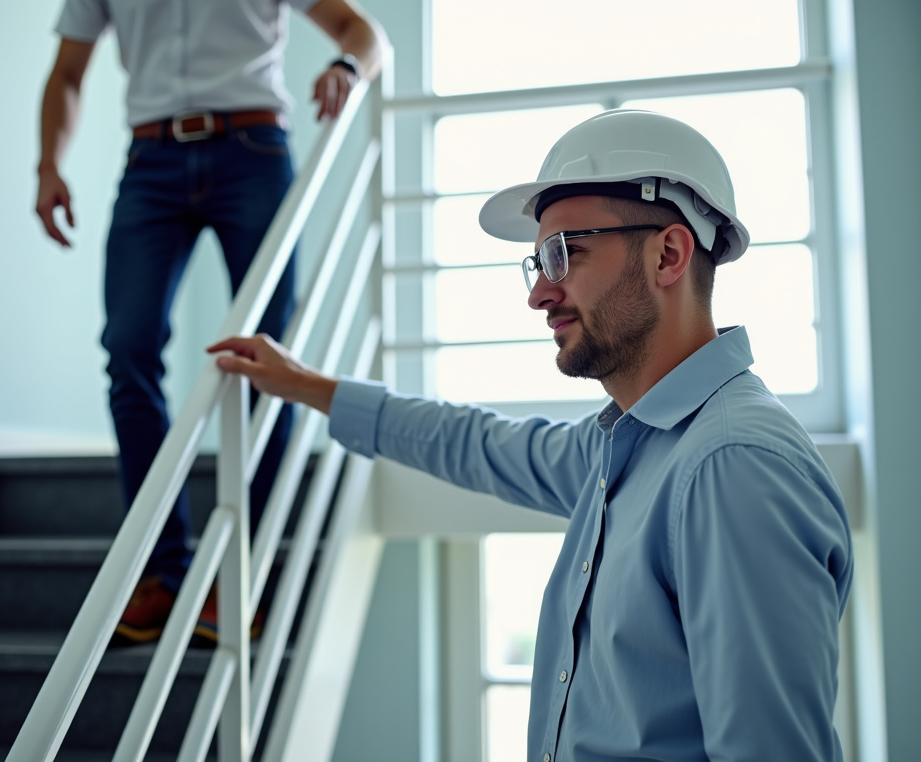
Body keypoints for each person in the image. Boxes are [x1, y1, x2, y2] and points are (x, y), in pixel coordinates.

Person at [209, 110, 855, 761]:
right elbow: (478, 444)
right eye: (538, 262)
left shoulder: (731, 466)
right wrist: (310, 388)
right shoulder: (626, 449)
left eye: (565, 254)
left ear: (668, 254)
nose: (540, 294)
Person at [32, 0, 389, 644]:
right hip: (150, 163)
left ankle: (239, 577)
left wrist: (344, 64)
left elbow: (364, 33)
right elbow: (67, 73)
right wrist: (49, 165)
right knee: (129, 349)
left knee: (266, 361)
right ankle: (165, 574)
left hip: (251, 151)